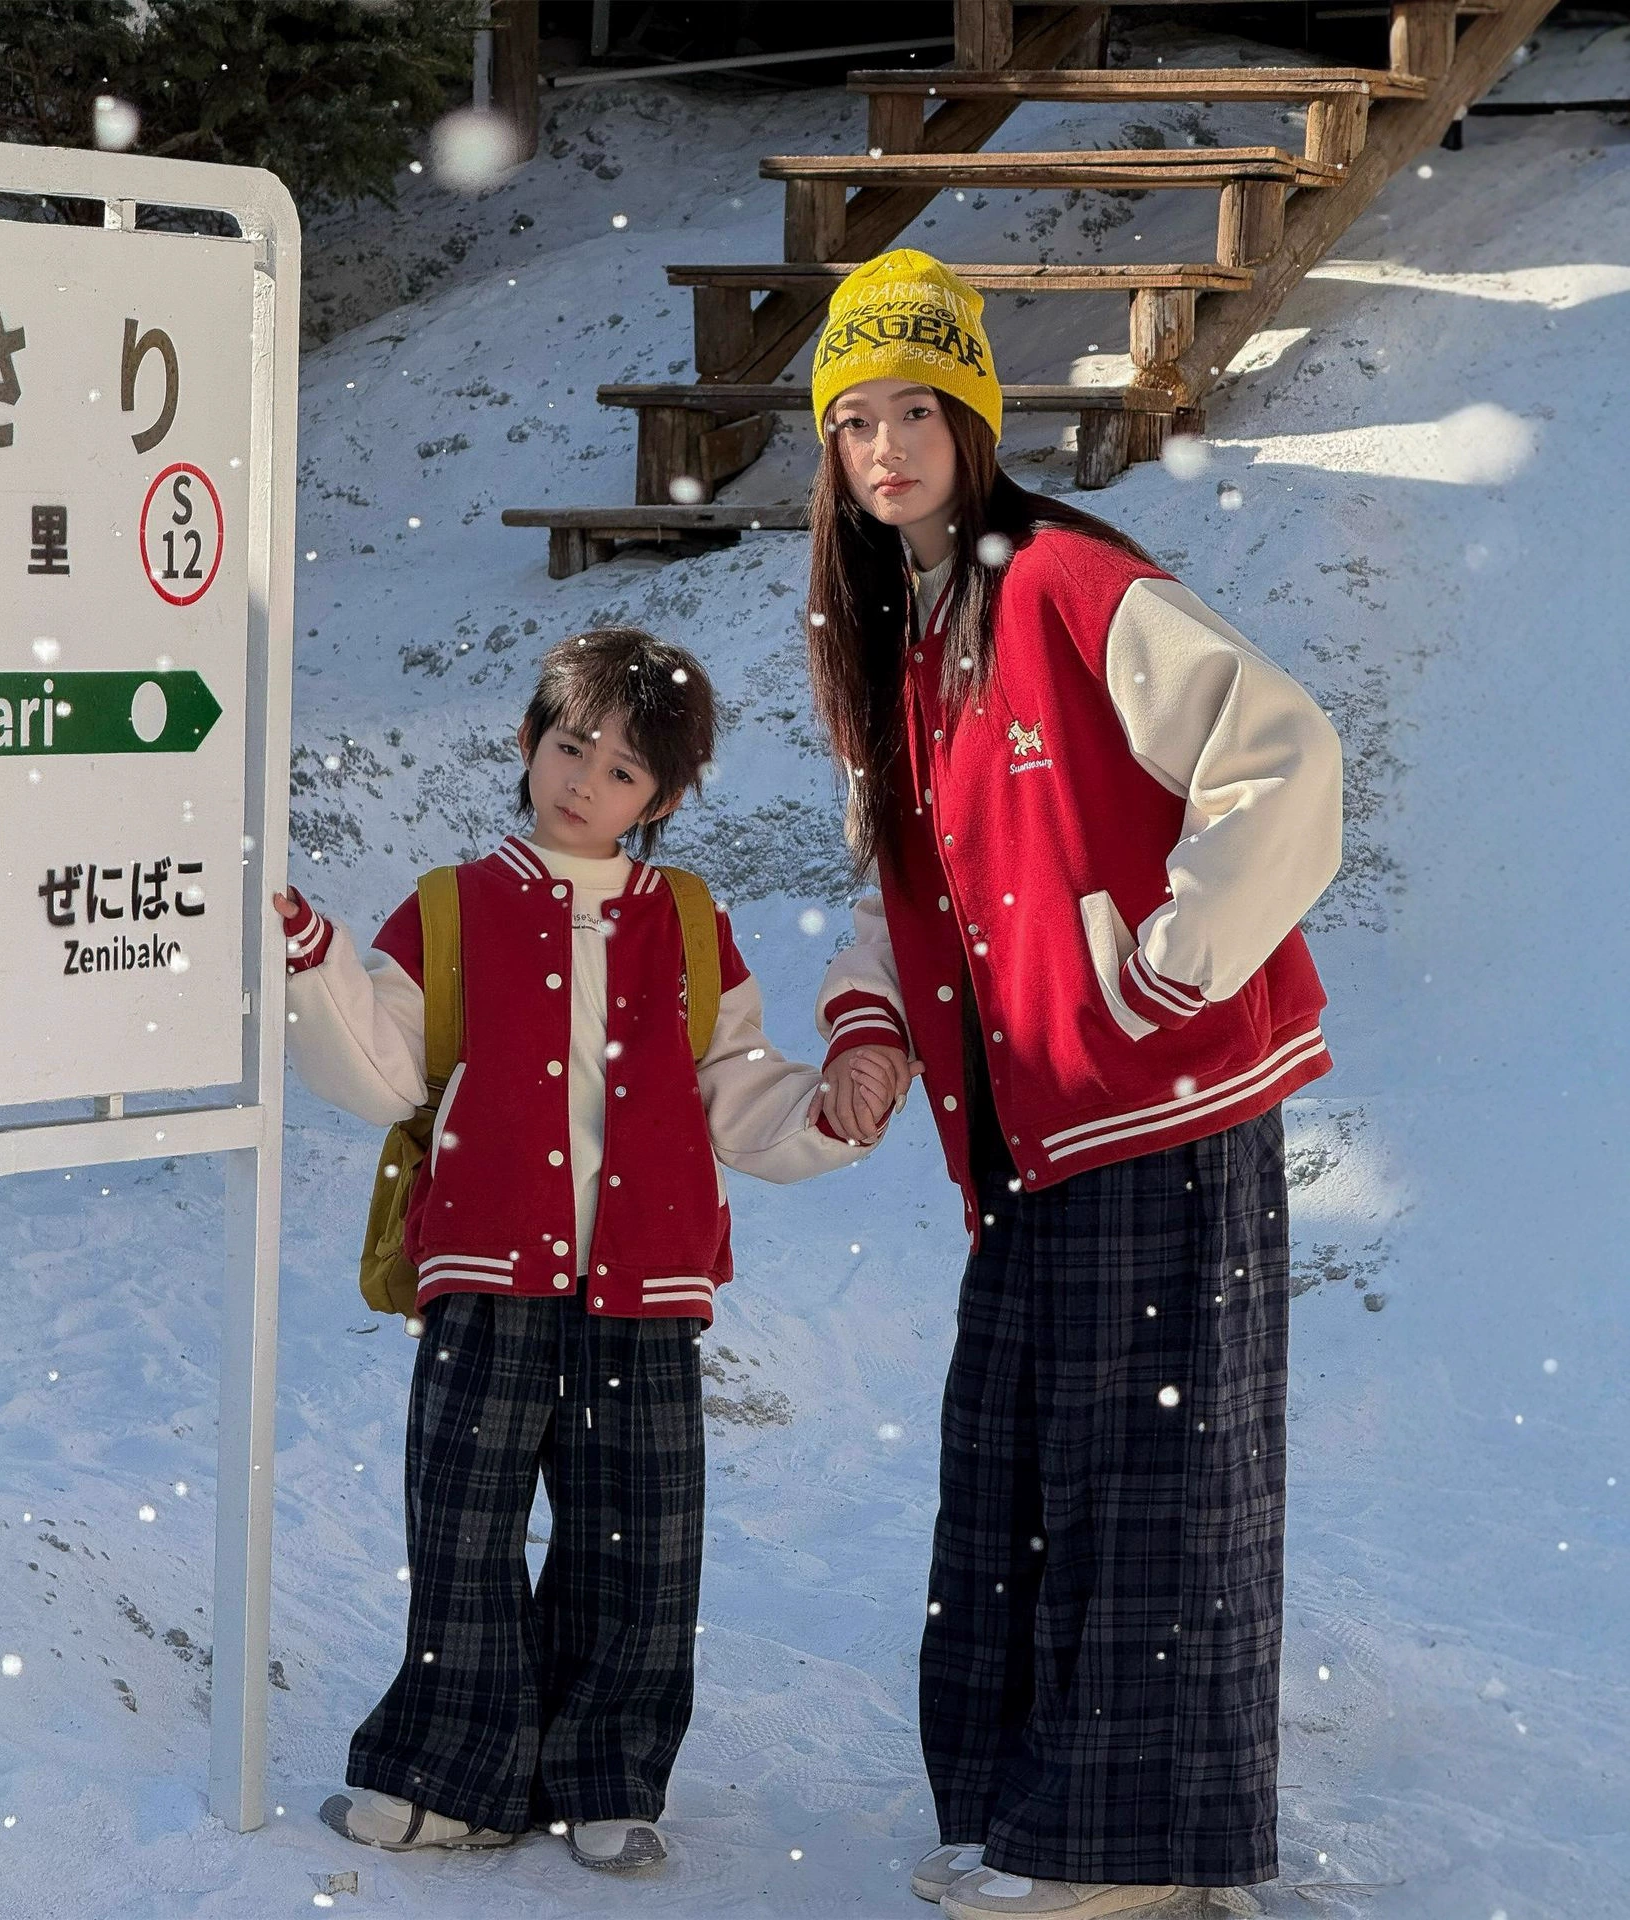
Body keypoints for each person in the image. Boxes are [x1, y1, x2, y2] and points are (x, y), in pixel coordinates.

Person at [802, 252, 1345, 1920]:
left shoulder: (1061, 580)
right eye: (854, 420)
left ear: (975, 422)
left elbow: (1286, 750)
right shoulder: (899, 642)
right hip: (1032, 1141)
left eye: (917, 410)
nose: (885, 446)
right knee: (1017, 1472)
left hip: (1160, 1111)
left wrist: (1167, 966)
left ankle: (1128, 1861)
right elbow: (904, 887)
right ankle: (1034, 1815)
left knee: (1147, 1483)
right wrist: (872, 1024)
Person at [275, 626, 898, 1876]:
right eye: (570, 747)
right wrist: (309, 957)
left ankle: (608, 1772)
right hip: (487, 1269)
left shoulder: (687, 919)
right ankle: (450, 1771)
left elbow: (733, 1087)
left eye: (621, 770)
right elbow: (383, 1061)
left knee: (642, 1541)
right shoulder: (450, 909)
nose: (584, 781)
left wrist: (823, 1113)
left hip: (648, 1284)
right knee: (463, 1524)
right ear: (528, 744)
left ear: (659, 799)